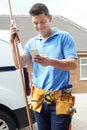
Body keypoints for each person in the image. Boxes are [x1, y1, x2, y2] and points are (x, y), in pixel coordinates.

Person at [10, 3, 77, 130]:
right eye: (35, 23)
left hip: (60, 100)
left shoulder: (64, 37)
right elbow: (18, 64)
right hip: (39, 99)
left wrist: (50, 61)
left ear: (50, 18)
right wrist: (12, 43)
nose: (39, 26)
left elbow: (73, 64)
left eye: (42, 22)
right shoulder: (32, 42)